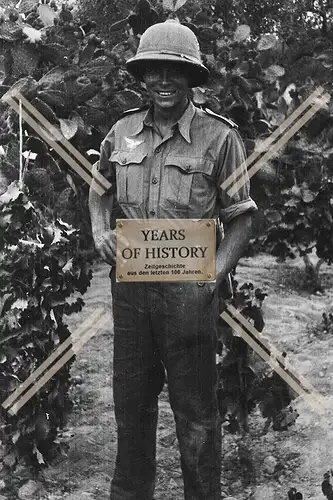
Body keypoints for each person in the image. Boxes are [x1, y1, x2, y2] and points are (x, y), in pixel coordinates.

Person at [89, 19, 257, 500]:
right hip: (132, 294)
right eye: (154, 70)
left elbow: (242, 218)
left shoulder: (219, 137)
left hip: (190, 296)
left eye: (175, 71)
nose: (164, 81)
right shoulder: (121, 131)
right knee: (131, 408)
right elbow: (100, 186)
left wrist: (212, 276)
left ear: (192, 79)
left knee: (196, 415)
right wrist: (101, 228)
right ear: (142, 76)